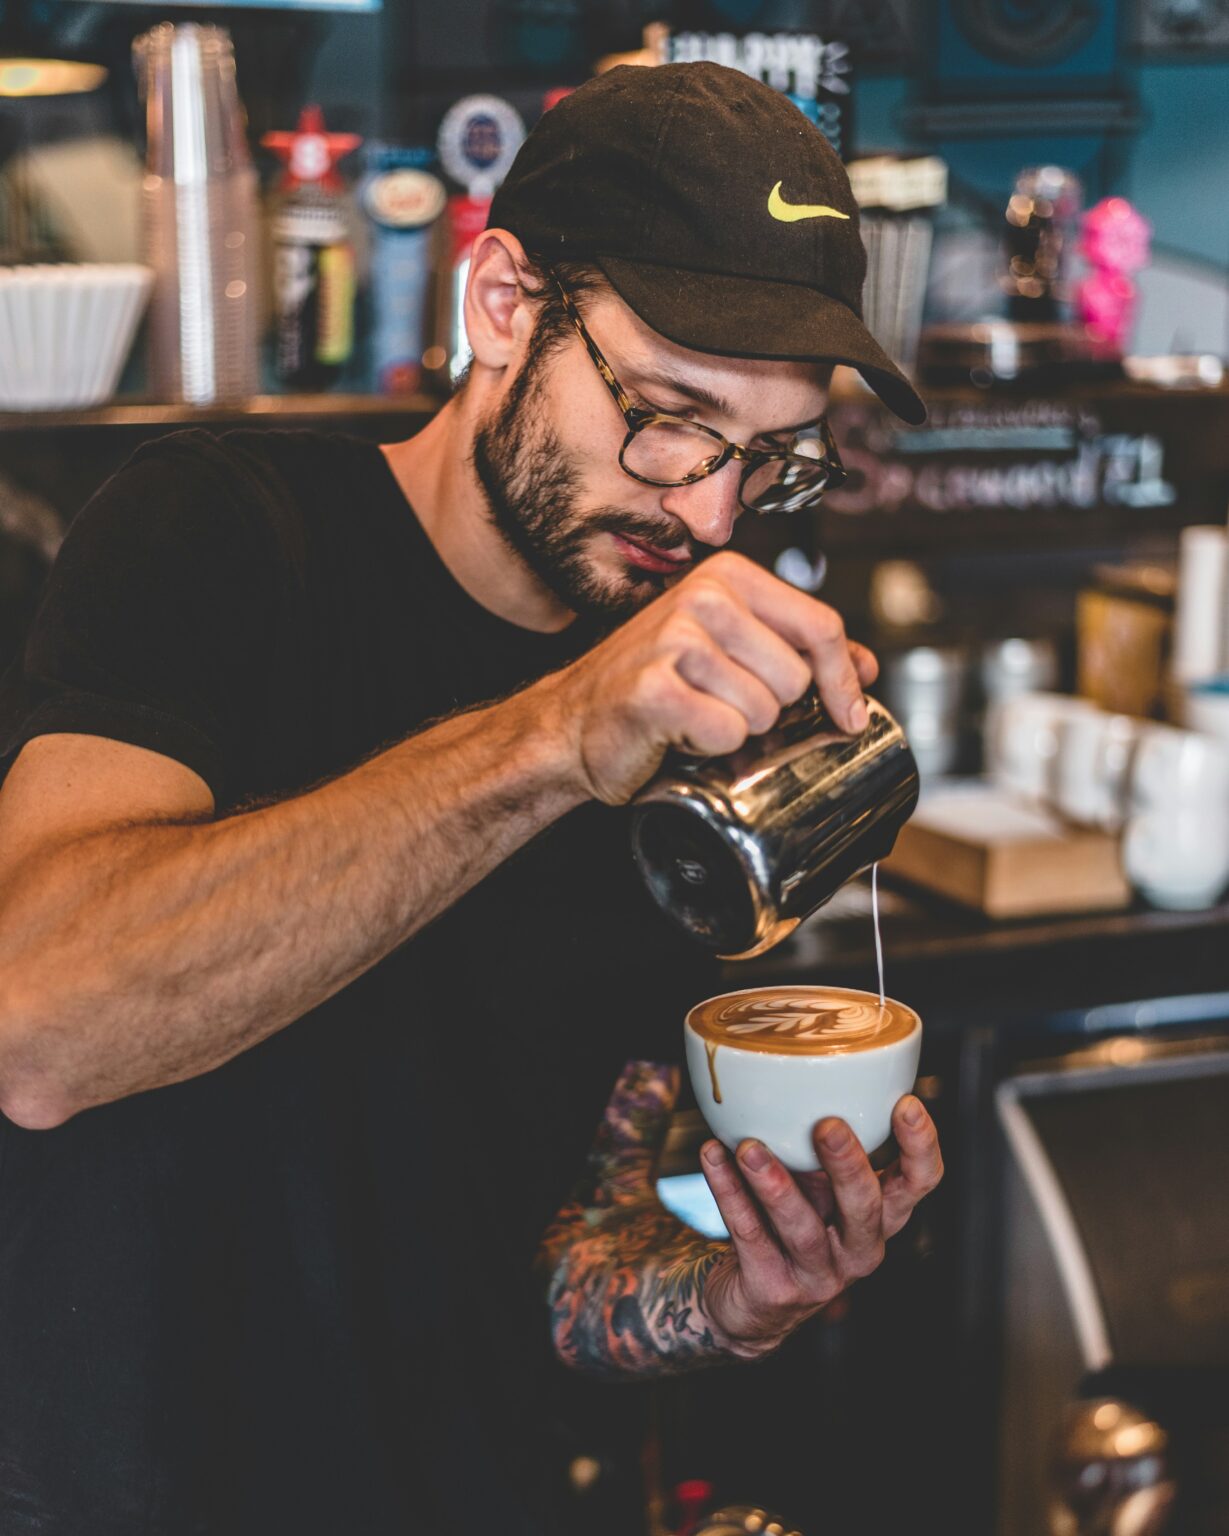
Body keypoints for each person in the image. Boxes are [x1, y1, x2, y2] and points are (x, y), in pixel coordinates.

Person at [0, 62, 942, 1535]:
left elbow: (575, 1247)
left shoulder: (690, 713)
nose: (704, 510)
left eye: (765, 460)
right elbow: (38, 1027)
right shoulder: (219, 531)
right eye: (670, 414)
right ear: (502, 302)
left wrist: (733, 1295)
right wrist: (552, 735)